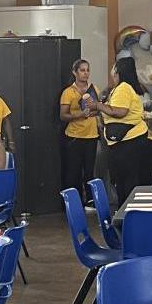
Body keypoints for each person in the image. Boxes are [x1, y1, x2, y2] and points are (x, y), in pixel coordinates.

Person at [96, 56, 149, 205]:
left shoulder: (123, 88)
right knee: (126, 177)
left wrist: (98, 106)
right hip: (128, 140)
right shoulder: (123, 88)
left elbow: (119, 112)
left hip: (128, 141)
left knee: (125, 178)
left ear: (118, 71)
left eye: (113, 68)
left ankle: (126, 210)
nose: (111, 72)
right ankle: (126, 209)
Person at [59, 59, 100, 200]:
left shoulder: (94, 89)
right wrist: (79, 115)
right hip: (75, 136)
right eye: (82, 70)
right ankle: (73, 201)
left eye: (87, 70)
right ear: (74, 72)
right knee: (74, 171)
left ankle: (90, 200)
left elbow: (99, 110)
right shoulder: (68, 92)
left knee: (89, 171)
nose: (86, 73)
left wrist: (93, 111)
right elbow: (63, 115)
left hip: (92, 135)